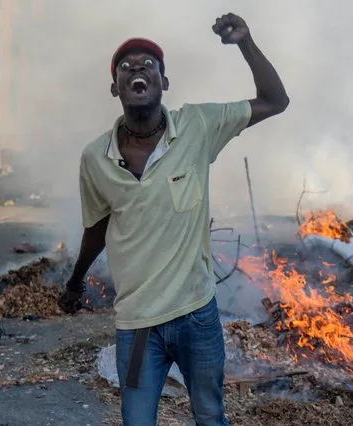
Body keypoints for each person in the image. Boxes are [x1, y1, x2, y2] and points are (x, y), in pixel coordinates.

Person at [58, 13, 288, 426]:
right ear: (116, 88)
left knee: (210, 415)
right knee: (137, 420)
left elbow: (276, 101)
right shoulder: (95, 157)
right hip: (137, 327)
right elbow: (96, 229)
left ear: (164, 82)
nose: (138, 69)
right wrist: (74, 285)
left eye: (149, 64)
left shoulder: (197, 126)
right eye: (126, 66)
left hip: (197, 316)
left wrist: (245, 42)